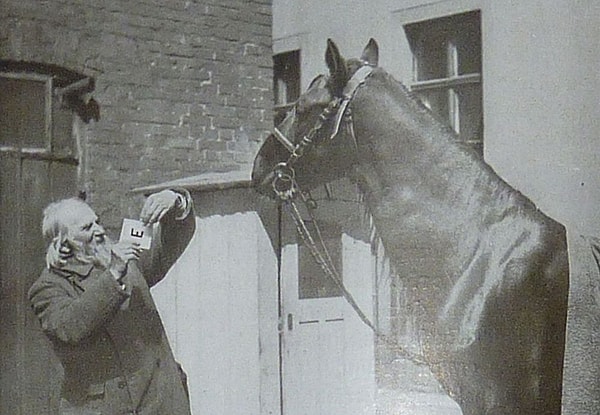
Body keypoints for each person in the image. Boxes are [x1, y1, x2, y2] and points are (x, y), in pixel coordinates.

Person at [28, 188, 195, 415]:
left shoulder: (124, 255)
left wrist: (177, 202)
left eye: (97, 222)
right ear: (63, 243)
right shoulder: (48, 287)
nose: (99, 231)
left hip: (161, 404)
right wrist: (114, 272)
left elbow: (169, 245)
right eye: (87, 228)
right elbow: (70, 327)